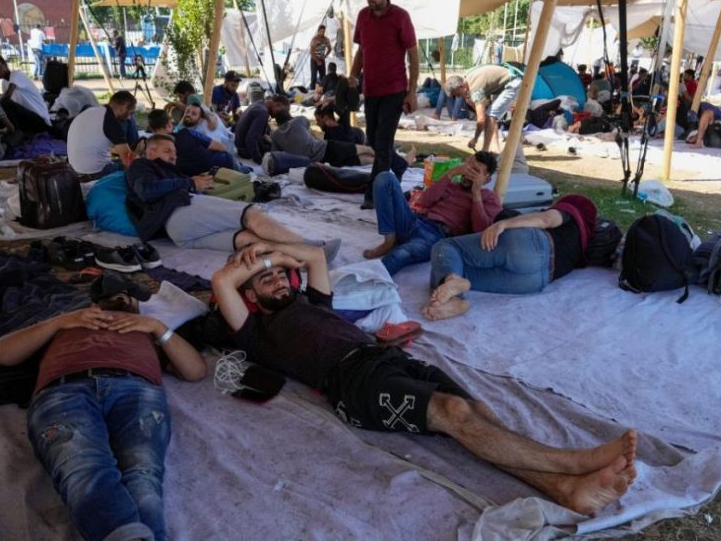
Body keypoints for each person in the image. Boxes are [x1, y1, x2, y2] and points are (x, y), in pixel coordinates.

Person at [210, 240, 638, 517]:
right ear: (250, 296)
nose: (278, 278)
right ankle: (573, 462)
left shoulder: (311, 300)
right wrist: (258, 260)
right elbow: (220, 280)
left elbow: (315, 256)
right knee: (453, 412)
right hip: (351, 382)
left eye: (281, 274)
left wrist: (273, 255)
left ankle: (564, 490)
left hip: (384, 357)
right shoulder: (255, 331)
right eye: (265, 279)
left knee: (478, 413)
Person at [0, 272, 207, 541]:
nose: (119, 299)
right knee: (83, 465)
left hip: (135, 388)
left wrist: (157, 328)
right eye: (111, 297)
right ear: (94, 303)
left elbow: (195, 371)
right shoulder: (65, 323)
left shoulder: (152, 331)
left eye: (128, 298)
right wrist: (60, 322)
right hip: (65, 389)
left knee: (143, 473)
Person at [126, 134, 339, 258]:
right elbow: (147, 190)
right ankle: (311, 245)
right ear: (151, 152)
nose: (173, 156)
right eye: (167, 151)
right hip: (176, 213)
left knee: (245, 238)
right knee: (250, 214)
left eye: (174, 152)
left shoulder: (168, 171)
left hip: (176, 234)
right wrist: (190, 183)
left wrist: (193, 182)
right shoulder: (141, 165)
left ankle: (305, 256)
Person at [423, 195, 596, 321]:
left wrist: (503, 224)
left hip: (530, 245)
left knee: (446, 247)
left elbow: (545, 220)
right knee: (450, 271)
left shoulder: (572, 211)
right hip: (536, 281)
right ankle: (456, 300)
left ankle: (453, 279)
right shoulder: (581, 244)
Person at [363, 152, 502, 275]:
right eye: (468, 168)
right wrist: (451, 173)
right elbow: (424, 200)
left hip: (436, 236)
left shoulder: (489, 198)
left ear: (487, 179)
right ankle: (389, 240)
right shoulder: (452, 184)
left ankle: (365, 284)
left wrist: (476, 193)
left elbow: (481, 229)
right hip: (416, 221)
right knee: (385, 178)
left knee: (401, 254)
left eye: (475, 172)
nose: (468, 174)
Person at [349, 0, 420, 209]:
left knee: (382, 143)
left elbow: (413, 54)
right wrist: (352, 75)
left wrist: (411, 91)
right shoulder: (362, 16)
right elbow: (361, 50)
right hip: (370, 91)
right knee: (375, 142)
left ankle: (375, 195)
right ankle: (398, 166)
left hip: (394, 90)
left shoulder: (401, 17)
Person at [270, 106, 381, 168]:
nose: (318, 123)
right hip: (324, 148)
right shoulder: (299, 120)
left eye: (319, 120)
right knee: (356, 150)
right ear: (290, 116)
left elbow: (276, 155)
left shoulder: (275, 135)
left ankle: (374, 159)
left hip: (318, 161)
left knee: (350, 160)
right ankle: (377, 155)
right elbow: (310, 133)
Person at [444, 65, 521, 154]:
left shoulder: (475, 89)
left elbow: (481, 120)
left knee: (491, 115)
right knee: (491, 115)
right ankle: (492, 149)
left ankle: (487, 151)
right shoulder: (467, 79)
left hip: (513, 83)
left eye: (457, 94)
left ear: (462, 86)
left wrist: (475, 139)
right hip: (506, 82)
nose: (458, 97)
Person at [147, 109, 243, 176]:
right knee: (244, 171)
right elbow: (222, 148)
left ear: (151, 129)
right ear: (169, 124)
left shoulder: (154, 151)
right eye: (187, 112)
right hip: (222, 165)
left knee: (242, 169)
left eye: (193, 113)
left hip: (211, 172)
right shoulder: (187, 133)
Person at [67, 90, 139, 175]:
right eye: (130, 113)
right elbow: (128, 161)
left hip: (73, 169)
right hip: (95, 172)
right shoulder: (111, 122)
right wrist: (138, 150)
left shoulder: (91, 111)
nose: (129, 118)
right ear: (122, 107)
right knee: (139, 167)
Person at [0, 54, 51, 136]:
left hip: (40, 121)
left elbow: (7, 96)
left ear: (5, 64)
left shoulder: (16, 74)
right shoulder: (3, 83)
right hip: (27, 119)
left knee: (4, 103)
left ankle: (14, 132)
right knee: (0, 109)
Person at [234, 95, 285, 164]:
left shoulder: (259, 103)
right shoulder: (262, 112)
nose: (280, 114)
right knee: (280, 152)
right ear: (277, 105)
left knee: (271, 136)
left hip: (240, 145)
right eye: (282, 111)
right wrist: (259, 161)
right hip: (245, 151)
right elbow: (250, 140)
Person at [309, 25, 333, 90]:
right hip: (314, 60)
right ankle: (312, 91)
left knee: (323, 77)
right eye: (321, 31)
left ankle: (323, 90)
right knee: (313, 77)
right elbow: (311, 52)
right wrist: (317, 61)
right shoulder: (315, 39)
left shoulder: (326, 39)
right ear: (318, 31)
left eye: (324, 31)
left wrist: (326, 55)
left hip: (321, 59)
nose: (322, 33)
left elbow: (330, 48)